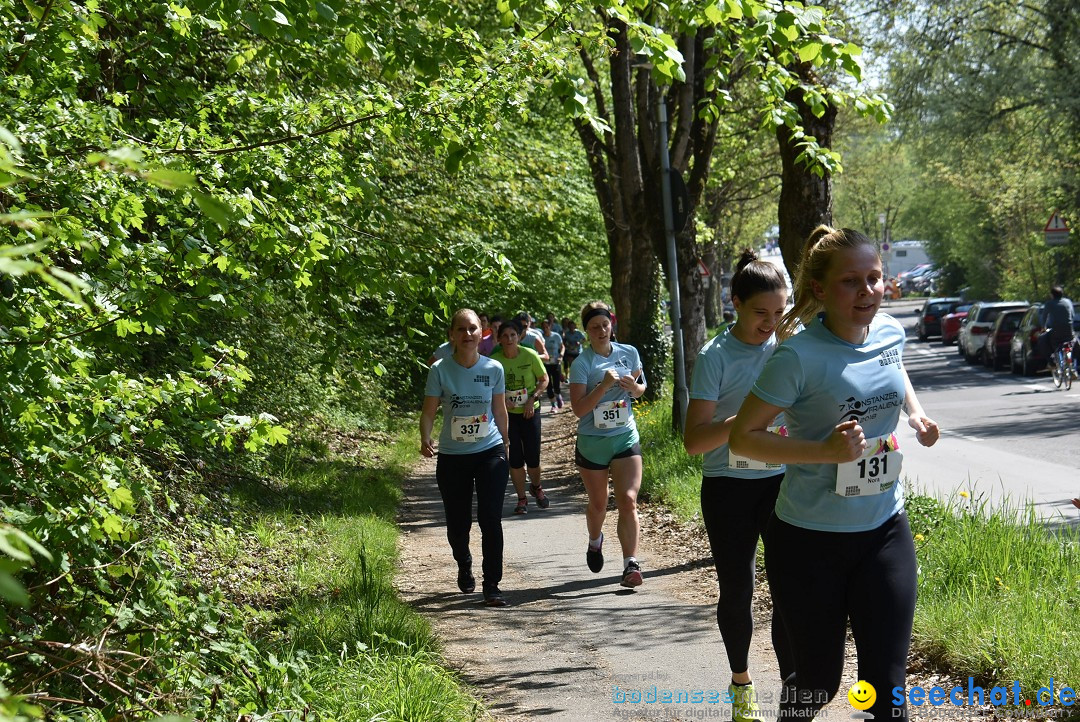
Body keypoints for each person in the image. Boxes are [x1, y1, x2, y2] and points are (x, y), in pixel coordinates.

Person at [729, 226, 940, 722]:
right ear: (821, 289)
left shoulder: (890, 330)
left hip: (885, 527)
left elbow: (894, 366)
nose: (867, 291)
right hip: (809, 539)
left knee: (886, 688)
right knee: (819, 682)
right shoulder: (797, 357)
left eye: (874, 278)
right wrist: (825, 452)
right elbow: (742, 437)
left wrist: (916, 413)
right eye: (851, 281)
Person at [683, 249, 794, 722]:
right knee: (738, 588)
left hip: (782, 481)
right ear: (734, 303)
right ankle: (741, 682)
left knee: (791, 586)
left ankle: (794, 689)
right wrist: (743, 423)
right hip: (729, 484)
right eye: (760, 313)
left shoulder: (788, 345)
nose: (770, 323)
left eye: (779, 312)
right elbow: (693, 441)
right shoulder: (715, 356)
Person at [420, 308, 512, 607]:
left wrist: (506, 443)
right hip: (453, 455)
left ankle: (492, 584)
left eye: (473, 328)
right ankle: (464, 561)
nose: (468, 334)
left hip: (490, 451)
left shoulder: (494, 368)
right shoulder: (440, 370)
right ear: (452, 335)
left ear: (482, 332)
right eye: (461, 329)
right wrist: (425, 436)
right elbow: (429, 410)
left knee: (490, 519)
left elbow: (499, 410)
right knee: (458, 525)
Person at [569, 301, 647, 588]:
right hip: (593, 442)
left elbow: (641, 390)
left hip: (625, 436)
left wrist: (633, 387)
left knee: (628, 500)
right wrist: (602, 387)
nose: (601, 331)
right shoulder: (581, 364)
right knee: (599, 504)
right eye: (594, 327)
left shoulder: (630, 353)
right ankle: (594, 540)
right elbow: (578, 409)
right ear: (586, 331)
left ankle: (631, 565)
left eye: (604, 325)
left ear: (611, 324)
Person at [490, 318, 551, 515]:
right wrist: (500, 400)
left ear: (519, 337)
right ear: (499, 339)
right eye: (505, 336)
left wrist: (532, 398)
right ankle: (521, 498)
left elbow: (544, 379)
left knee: (533, 458)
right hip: (508, 415)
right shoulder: (495, 360)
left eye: (513, 335)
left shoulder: (530, 355)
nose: (509, 339)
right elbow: (489, 386)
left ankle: (537, 486)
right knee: (515, 459)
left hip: (529, 411)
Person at [1039, 285, 1075, 367]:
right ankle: (1071, 364)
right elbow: (1072, 315)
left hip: (1056, 330)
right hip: (1068, 329)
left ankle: (1052, 362)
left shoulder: (1049, 303)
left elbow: (1044, 316)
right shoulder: (1068, 302)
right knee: (1070, 343)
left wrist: (1043, 327)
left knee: (1047, 341)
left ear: (1052, 295)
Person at [541, 317, 565, 412]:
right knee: (548, 385)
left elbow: (562, 346)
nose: (545, 329)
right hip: (545, 364)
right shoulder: (541, 338)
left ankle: (558, 396)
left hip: (555, 363)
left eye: (547, 327)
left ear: (550, 326)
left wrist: (561, 355)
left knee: (556, 384)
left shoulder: (556, 336)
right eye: (543, 327)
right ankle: (553, 405)